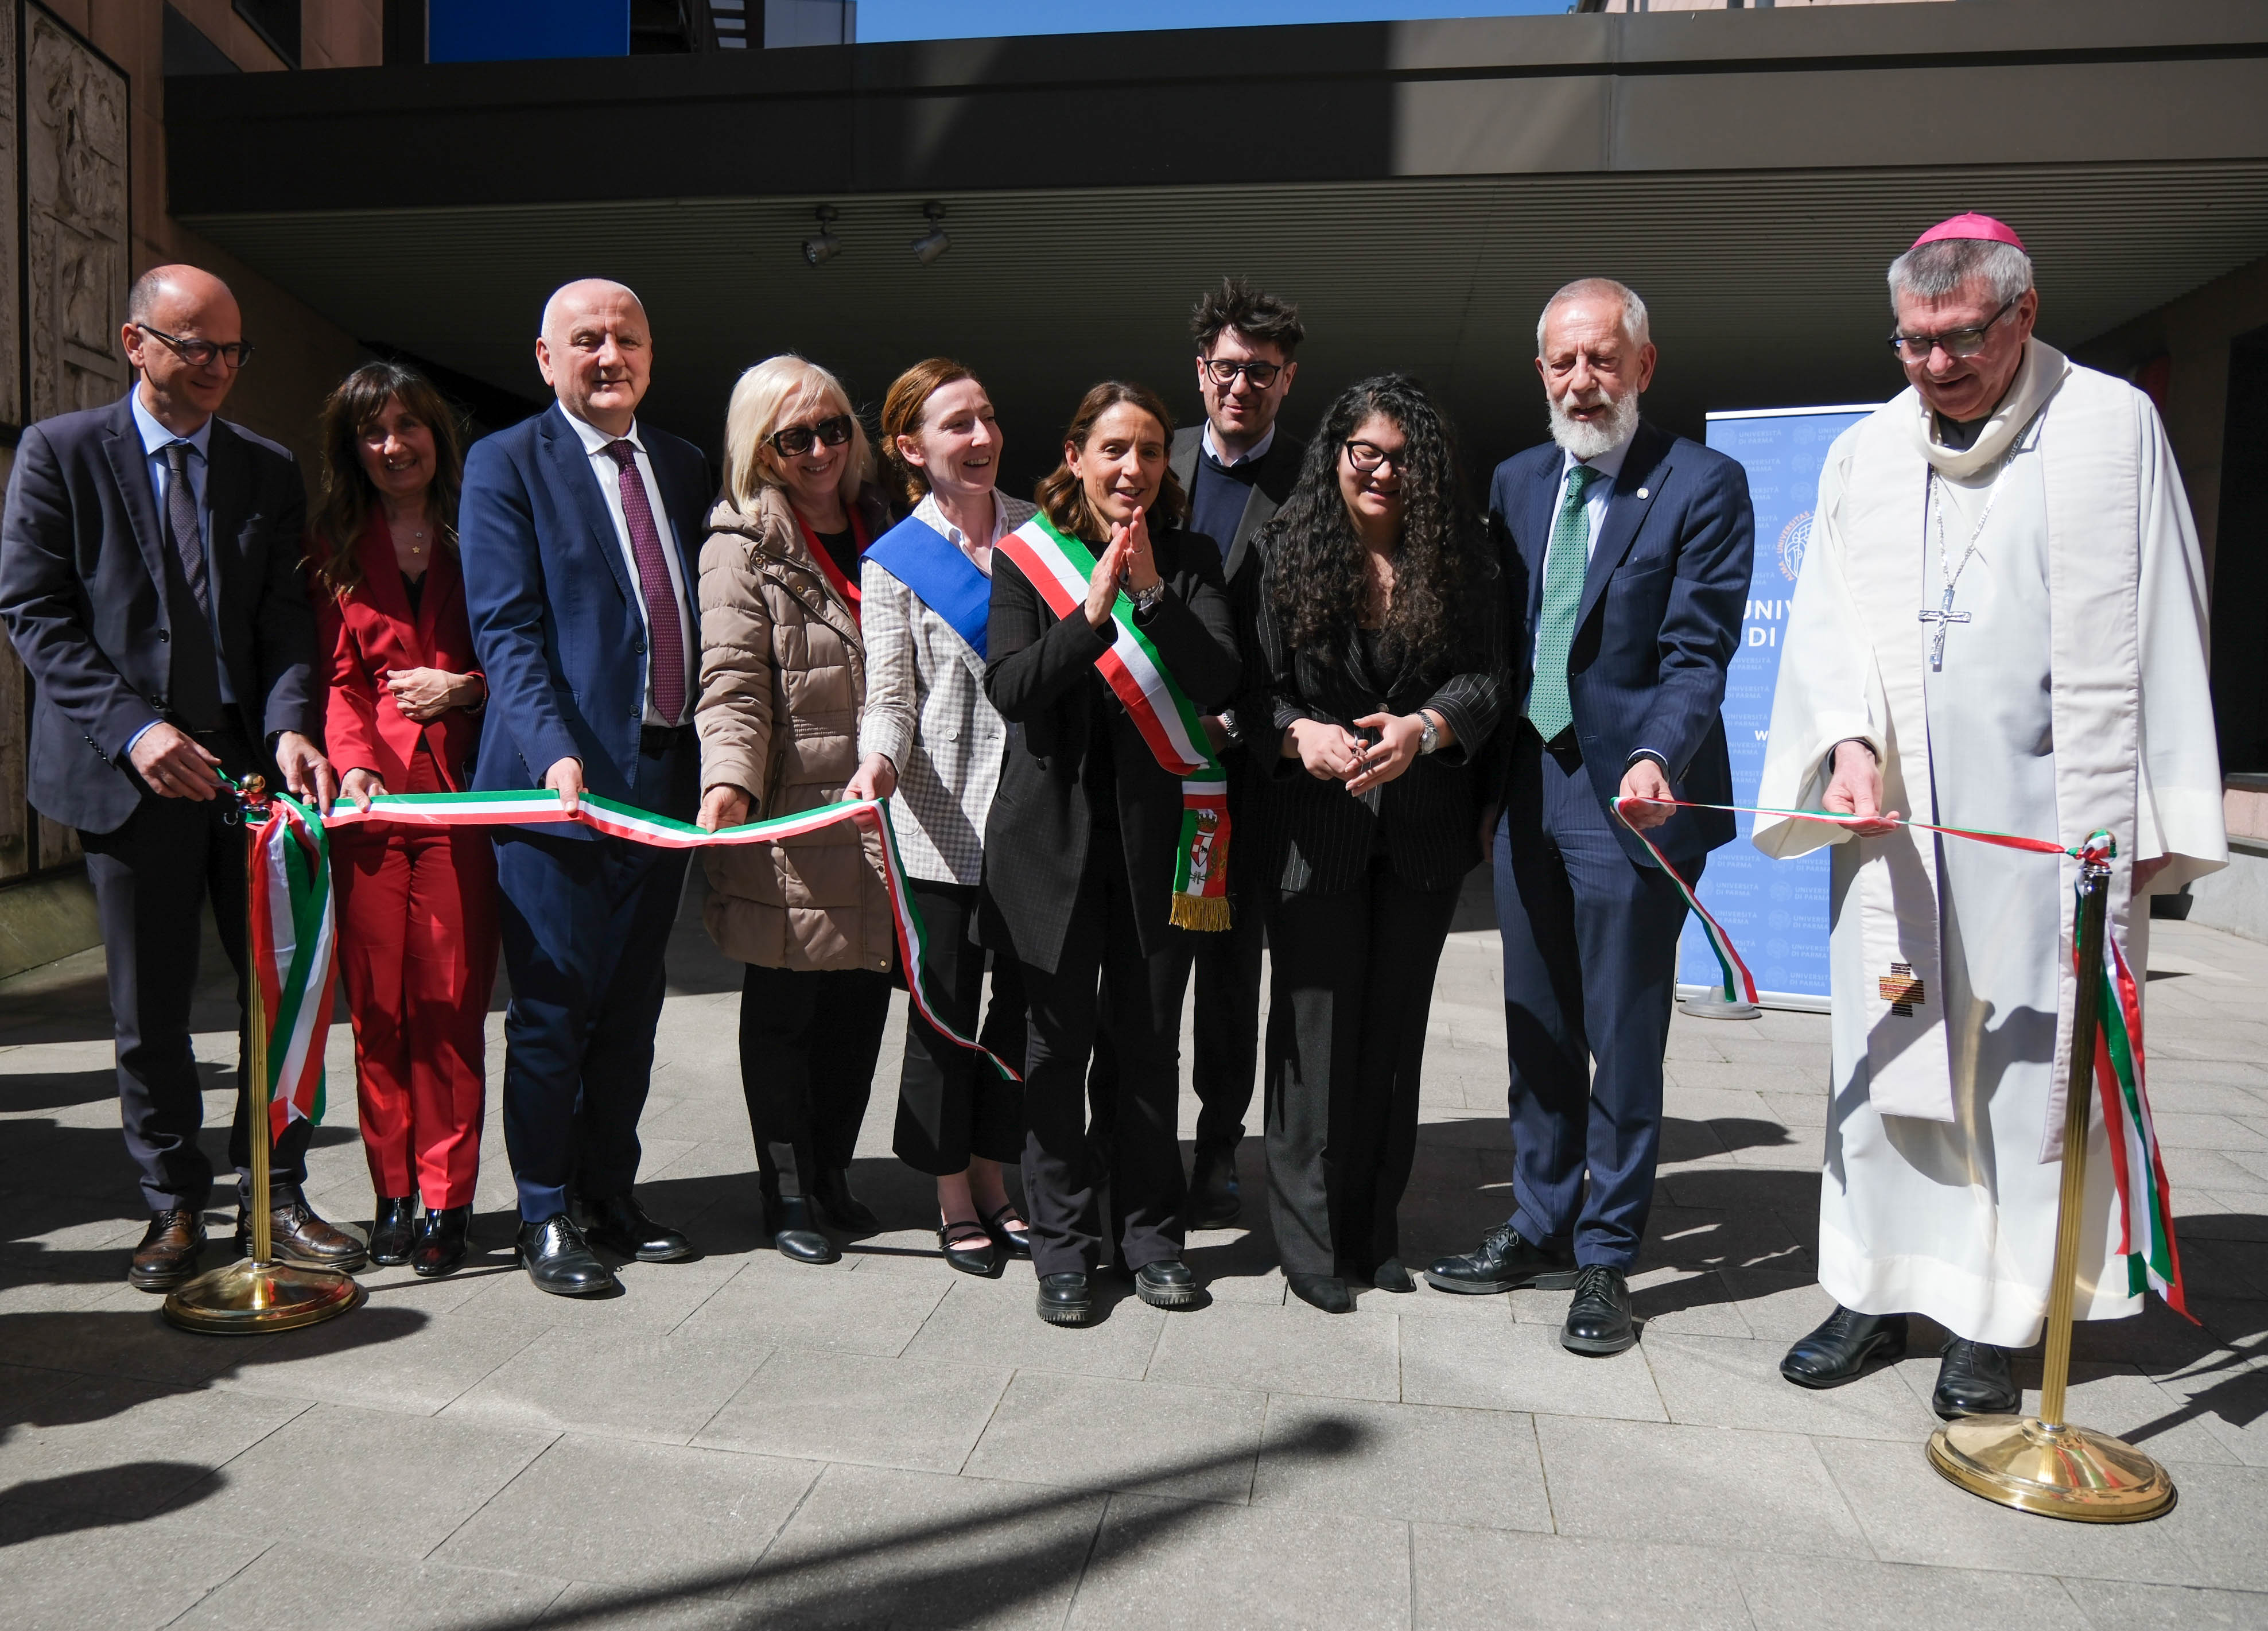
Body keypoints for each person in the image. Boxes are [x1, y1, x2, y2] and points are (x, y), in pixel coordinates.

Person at [1756, 215, 2226, 1416]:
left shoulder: (2110, 427)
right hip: (1898, 823)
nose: (1934, 365)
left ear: (2023, 313)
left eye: (1960, 338)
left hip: (2047, 824)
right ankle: (1871, 1286)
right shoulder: (1866, 449)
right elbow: (1827, 625)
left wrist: (2157, 811)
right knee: (1888, 1047)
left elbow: (2166, 608)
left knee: (2027, 1070)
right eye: (1912, 341)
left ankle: (1997, 1315)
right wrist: (1845, 745)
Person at [0, 265, 358, 1290]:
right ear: (135, 342)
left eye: (233, 350)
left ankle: (276, 1190)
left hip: (249, 775)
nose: (218, 367)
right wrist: (134, 730)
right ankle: (172, 1204)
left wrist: (290, 727)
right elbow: (34, 610)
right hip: (129, 776)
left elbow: (284, 619)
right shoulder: (61, 453)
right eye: (196, 346)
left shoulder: (264, 467)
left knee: (279, 992)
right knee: (149, 1006)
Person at [1427, 277, 1753, 1358]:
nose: (1582, 381)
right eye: (1563, 362)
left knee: (1622, 1033)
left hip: (1633, 797)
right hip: (1531, 786)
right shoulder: (1518, 481)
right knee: (1539, 1024)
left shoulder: (1703, 484)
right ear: (1541, 372)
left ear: (1643, 366)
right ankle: (1540, 1221)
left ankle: (1607, 1252)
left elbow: (1697, 652)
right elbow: (1496, 642)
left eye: (1603, 359)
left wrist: (1658, 755)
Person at [462, 278, 709, 1297]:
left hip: (663, 774)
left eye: (628, 339)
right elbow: (507, 628)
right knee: (554, 1010)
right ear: (545, 357)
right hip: (555, 786)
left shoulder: (684, 465)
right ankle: (543, 1210)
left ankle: (611, 1192)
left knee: (632, 1006)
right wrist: (551, 750)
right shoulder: (505, 461)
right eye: (588, 340)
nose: (611, 357)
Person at [1240, 375, 1504, 1313]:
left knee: (1391, 1041)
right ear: (1337, 454)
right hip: (1316, 833)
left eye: (1403, 457)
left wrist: (1428, 726)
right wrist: (1296, 734)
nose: (1384, 472)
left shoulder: (1462, 555)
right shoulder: (1282, 551)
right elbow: (1252, 688)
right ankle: (1310, 1241)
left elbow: (1491, 674)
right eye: (1367, 453)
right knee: (1313, 1038)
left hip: (1422, 836)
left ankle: (1371, 1232)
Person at [985, 381, 1242, 1326]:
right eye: (1114, 449)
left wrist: (1152, 598)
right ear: (1076, 456)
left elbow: (1221, 677)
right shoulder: (1025, 557)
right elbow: (1012, 688)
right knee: (1055, 1049)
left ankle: (1150, 1237)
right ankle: (1062, 1245)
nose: (1133, 468)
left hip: (1156, 845)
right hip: (1049, 844)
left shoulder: (1190, 557)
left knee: (1145, 1047)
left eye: (1150, 450)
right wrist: (1089, 616)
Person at [694, 355, 897, 1266]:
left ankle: (831, 1173)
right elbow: (733, 682)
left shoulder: (887, 523)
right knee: (786, 1015)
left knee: (858, 1012)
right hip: (790, 820)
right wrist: (727, 782)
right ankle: (784, 1190)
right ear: (760, 448)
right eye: (796, 437)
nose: (820, 450)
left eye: (834, 428)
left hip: (879, 815)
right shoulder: (740, 542)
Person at [308, 361, 497, 1279]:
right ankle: (392, 1193)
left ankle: (446, 1201)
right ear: (353, 449)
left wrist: (464, 687)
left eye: (407, 426)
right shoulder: (335, 544)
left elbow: (523, 646)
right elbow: (339, 679)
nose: (393, 446)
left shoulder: (482, 526)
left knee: (450, 1007)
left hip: (463, 800)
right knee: (378, 1009)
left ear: (436, 433)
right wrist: (350, 764)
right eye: (372, 432)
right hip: (372, 808)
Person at [864, 359, 1032, 1276]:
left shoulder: (1042, 533)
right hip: (940, 826)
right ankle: (953, 1196)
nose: (981, 437)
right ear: (911, 446)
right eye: (957, 424)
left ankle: (998, 1176)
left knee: (1020, 1015)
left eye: (988, 417)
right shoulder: (895, 561)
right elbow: (890, 695)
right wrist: (876, 761)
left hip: (1035, 822)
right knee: (947, 1016)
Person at [1157, 277, 1308, 1229]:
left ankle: (1217, 1144)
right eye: (1225, 368)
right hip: (1144, 761)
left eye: (1260, 371)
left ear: (1287, 379)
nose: (1240, 386)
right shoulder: (1153, 457)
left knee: (1226, 973)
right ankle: (1135, 1138)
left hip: (1243, 774)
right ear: (1200, 371)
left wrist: (1240, 724)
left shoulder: (1312, 480)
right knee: (1143, 966)